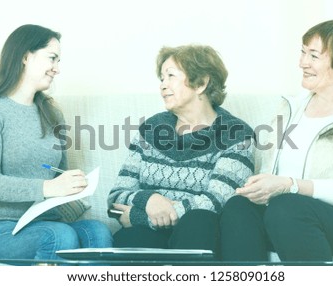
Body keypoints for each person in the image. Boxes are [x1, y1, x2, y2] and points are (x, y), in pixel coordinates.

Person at [220, 19, 333, 262]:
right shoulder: (291, 107)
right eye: (303, 53)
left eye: (314, 56)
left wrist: (289, 185)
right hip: (280, 215)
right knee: (238, 207)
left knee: (287, 207)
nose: (302, 63)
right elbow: (270, 172)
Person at [0, 24, 112, 263]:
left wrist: (71, 183)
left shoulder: (52, 112)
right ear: (25, 56)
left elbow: (59, 174)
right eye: (52, 58)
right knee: (58, 235)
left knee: (97, 231)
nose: (57, 69)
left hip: (45, 220)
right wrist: (48, 188)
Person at [108, 45, 254, 256]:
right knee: (129, 239)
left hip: (199, 233)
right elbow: (116, 196)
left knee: (199, 222)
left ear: (201, 83)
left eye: (171, 76)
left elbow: (216, 201)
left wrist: (142, 217)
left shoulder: (235, 134)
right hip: (149, 236)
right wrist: (149, 200)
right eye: (161, 78)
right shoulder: (152, 128)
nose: (163, 86)